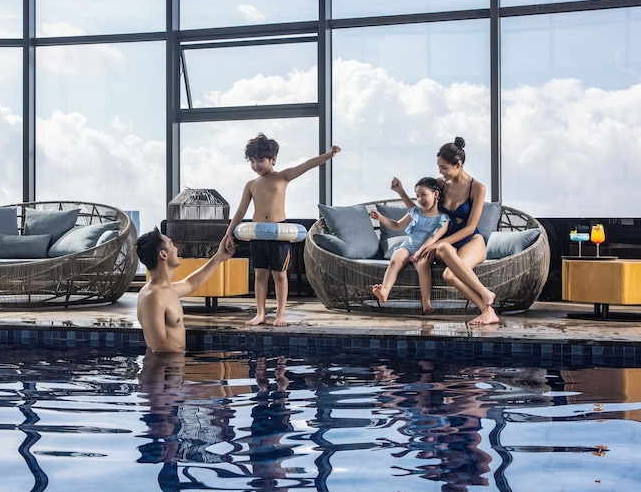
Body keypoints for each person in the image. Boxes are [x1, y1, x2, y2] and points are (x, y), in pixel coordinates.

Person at [222, 133, 341, 327]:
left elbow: (306, 165)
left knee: (279, 274)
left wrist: (328, 155)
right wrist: (228, 233)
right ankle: (260, 313)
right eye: (252, 161)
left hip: (279, 234)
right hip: (258, 235)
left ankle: (280, 314)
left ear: (273, 159)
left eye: (260, 160)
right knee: (260, 275)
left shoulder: (282, 177)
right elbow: (241, 210)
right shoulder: (251, 185)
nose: (256, 165)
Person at [393, 137, 498, 325]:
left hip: (471, 241)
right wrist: (401, 192)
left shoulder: (477, 188)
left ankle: (485, 300)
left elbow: (470, 228)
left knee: (449, 271)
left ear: (458, 164)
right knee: (446, 262)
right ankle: (487, 308)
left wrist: (436, 243)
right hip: (446, 245)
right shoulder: (439, 185)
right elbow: (420, 210)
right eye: (438, 167)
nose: (440, 172)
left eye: (444, 168)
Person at [136, 229, 235, 353]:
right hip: (163, 363)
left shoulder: (166, 290)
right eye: (171, 244)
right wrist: (187, 358)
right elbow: (159, 346)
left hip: (173, 361)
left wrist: (219, 257)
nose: (176, 249)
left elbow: (190, 284)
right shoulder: (152, 296)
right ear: (163, 255)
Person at [369, 177, 450, 314]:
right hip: (408, 246)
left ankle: (426, 303)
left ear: (435, 194)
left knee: (423, 266)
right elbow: (397, 225)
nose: (420, 199)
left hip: (425, 249)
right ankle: (385, 291)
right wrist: (381, 218)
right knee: (395, 259)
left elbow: (433, 238)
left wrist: (419, 252)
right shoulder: (415, 212)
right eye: (417, 196)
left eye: (423, 194)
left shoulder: (443, 218)